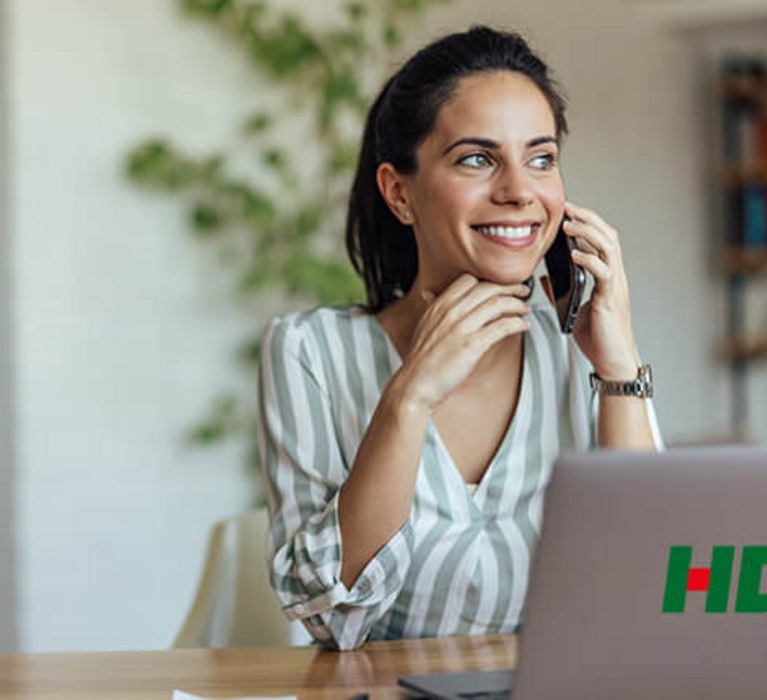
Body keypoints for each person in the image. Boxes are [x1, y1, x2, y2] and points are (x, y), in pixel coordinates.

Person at [256, 25, 663, 651]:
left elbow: (648, 591)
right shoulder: (311, 353)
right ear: (399, 193)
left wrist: (619, 367)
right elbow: (330, 616)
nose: (519, 191)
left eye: (541, 158)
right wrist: (409, 397)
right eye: (477, 159)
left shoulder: (583, 352)